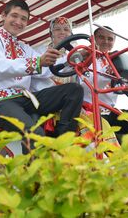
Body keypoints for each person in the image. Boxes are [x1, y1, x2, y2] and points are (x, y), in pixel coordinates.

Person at [0, 0, 83, 152]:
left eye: (23, 19)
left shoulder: (25, 48)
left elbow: (45, 70)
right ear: (3, 16)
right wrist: (38, 62)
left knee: (74, 90)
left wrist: (71, 59)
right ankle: (34, 174)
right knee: (35, 134)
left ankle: (63, 145)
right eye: (14, 16)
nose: (18, 22)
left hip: (26, 98)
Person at [37, 17, 119, 148]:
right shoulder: (40, 52)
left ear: (71, 34)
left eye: (66, 29)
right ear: (50, 33)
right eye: (57, 29)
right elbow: (39, 73)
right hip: (49, 99)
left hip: (75, 102)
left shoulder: (81, 53)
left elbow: (86, 81)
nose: (62, 32)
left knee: (99, 123)